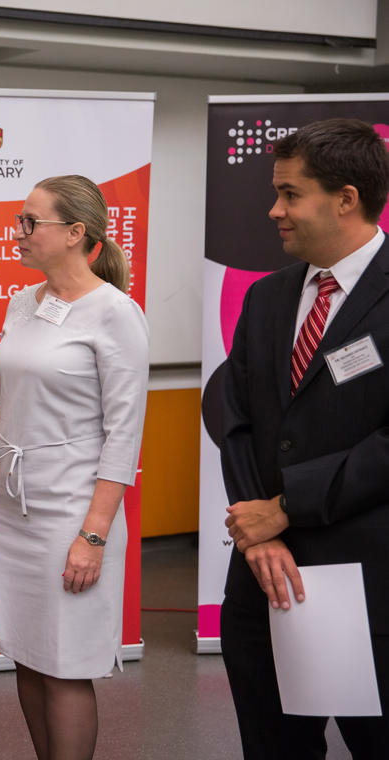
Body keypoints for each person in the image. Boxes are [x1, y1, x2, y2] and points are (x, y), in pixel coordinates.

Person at [0, 175, 149, 760]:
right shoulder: (23, 303)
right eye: (20, 220)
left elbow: (125, 436)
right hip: (14, 510)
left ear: (74, 233)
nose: (18, 233)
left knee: (65, 665)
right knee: (30, 654)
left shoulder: (115, 313)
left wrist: (93, 535)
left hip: (70, 512)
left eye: (29, 222)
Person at [220, 118, 389, 759]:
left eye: (290, 194)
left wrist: (284, 510)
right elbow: (232, 415)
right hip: (262, 584)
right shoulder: (266, 298)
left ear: (345, 198)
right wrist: (256, 531)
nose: (274, 209)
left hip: (368, 590)